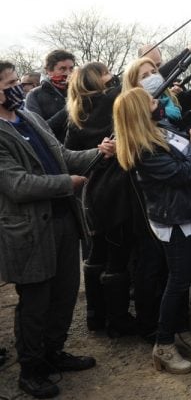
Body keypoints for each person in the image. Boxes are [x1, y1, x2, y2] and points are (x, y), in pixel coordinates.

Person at [0, 61, 114, 399]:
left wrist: (98, 152)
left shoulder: (28, 118)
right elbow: (17, 185)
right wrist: (69, 183)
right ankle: (31, 369)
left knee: (65, 294)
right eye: (8, 83)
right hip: (29, 231)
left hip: (64, 221)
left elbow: (62, 154)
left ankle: (53, 353)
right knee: (36, 302)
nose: (16, 88)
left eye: (14, 81)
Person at [113, 87, 191, 374]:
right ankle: (164, 344)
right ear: (140, 113)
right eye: (153, 101)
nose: (159, 103)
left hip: (185, 214)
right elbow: (182, 173)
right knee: (178, 281)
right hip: (175, 220)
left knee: (181, 278)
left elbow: (183, 143)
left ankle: (181, 330)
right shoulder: (144, 149)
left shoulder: (160, 129)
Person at [64, 63, 137, 338]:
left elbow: (71, 152)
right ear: (96, 79)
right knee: (118, 255)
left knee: (98, 252)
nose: (112, 76)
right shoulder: (108, 100)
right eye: (106, 73)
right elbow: (136, 82)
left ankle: (96, 316)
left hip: (91, 192)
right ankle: (118, 320)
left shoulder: (76, 113)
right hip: (114, 192)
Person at [25, 50, 76, 142]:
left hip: (85, 151)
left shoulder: (81, 92)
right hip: (56, 151)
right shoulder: (34, 95)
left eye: (71, 69)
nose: (68, 73)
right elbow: (39, 130)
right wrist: (69, 108)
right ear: (49, 71)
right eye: (62, 69)